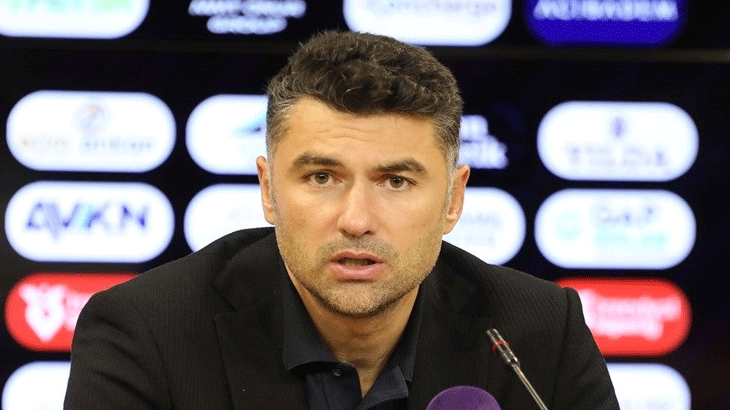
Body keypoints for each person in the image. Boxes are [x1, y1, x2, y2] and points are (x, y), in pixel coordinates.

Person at [64, 31, 619, 410]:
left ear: (453, 199)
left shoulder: (542, 334)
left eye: (396, 182)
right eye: (322, 177)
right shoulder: (145, 333)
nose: (356, 220)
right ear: (268, 191)